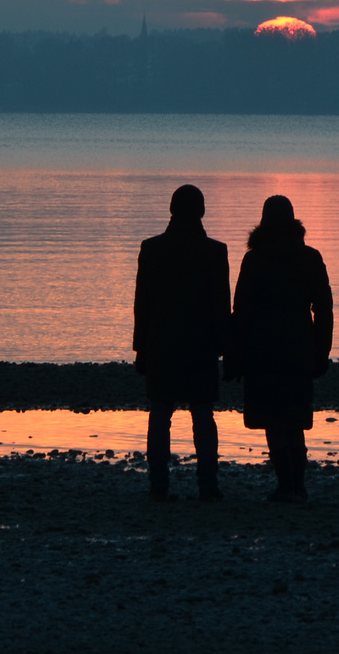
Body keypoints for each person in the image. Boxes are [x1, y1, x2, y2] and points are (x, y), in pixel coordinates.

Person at [228, 194, 333, 504]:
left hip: (262, 350)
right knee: (295, 419)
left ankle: (286, 485)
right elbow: (324, 310)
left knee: (273, 420)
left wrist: (235, 357)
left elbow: (241, 311)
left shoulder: (254, 259)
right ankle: (297, 485)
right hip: (299, 347)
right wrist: (321, 351)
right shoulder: (310, 257)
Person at [133, 183, 230, 502]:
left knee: (160, 412)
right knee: (202, 413)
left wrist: (141, 348)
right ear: (201, 211)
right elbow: (220, 306)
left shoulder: (152, 248)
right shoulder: (215, 251)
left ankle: (158, 484)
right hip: (201, 345)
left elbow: (142, 304)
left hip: (161, 342)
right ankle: (208, 484)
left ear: (172, 210)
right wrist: (226, 349)